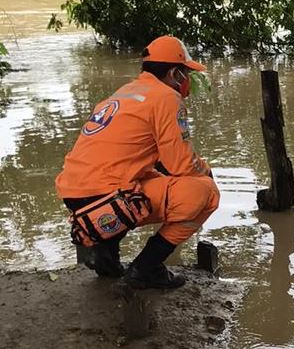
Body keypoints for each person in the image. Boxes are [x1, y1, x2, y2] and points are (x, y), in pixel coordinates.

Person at [56, 35, 219, 289]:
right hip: (108, 199)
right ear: (175, 73)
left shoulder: (123, 93)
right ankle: (147, 268)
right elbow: (182, 165)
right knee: (207, 193)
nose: (187, 80)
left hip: (76, 197)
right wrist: (205, 171)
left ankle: (106, 257)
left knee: (145, 178)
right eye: (186, 73)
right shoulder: (166, 97)